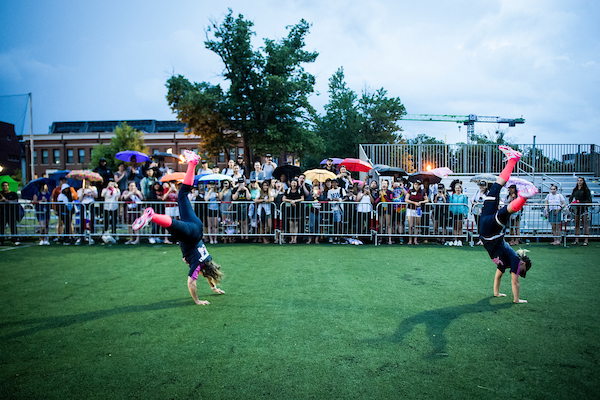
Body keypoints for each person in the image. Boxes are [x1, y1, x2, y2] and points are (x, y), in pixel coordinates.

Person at [132, 151, 224, 305]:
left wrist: (214, 288)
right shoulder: (198, 263)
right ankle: (152, 215)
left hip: (197, 228)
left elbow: (208, 274)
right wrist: (197, 301)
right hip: (191, 235)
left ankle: (192, 163)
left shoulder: (207, 260)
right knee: (173, 226)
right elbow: (191, 283)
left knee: (182, 195)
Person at [479, 146, 536, 304]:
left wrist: (496, 293)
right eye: (523, 270)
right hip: (490, 232)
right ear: (523, 263)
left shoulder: (505, 262)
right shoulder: (516, 262)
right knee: (504, 212)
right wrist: (517, 300)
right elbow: (515, 282)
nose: (520, 272)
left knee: (496, 188)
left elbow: (498, 277)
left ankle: (513, 159)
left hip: (486, 228)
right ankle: (522, 197)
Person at [569, 177, 592, 246]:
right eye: (578, 180)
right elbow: (571, 197)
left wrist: (581, 202)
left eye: (581, 180)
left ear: (583, 181)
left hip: (584, 209)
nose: (579, 182)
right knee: (576, 224)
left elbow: (589, 200)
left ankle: (586, 240)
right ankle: (576, 239)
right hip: (576, 209)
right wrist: (572, 202)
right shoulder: (575, 189)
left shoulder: (586, 190)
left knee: (585, 224)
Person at [405, 180, 428, 245]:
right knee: (410, 225)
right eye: (415, 184)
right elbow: (406, 199)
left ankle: (415, 240)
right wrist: (414, 203)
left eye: (418, 185)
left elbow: (427, 200)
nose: (416, 186)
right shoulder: (410, 191)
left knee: (417, 225)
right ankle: (410, 239)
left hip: (418, 209)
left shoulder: (422, 191)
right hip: (411, 209)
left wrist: (421, 202)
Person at [282, 179, 304, 244]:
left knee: (296, 224)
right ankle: (292, 238)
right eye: (292, 183)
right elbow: (283, 199)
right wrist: (290, 201)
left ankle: (295, 239)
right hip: (289, 209)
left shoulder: (299, 190)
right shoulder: (287, 190)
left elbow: (302, 198)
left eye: (295, 183)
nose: (293, 184)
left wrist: (295, 201)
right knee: (291, 224)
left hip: (297, 208)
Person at [0, 181, 20, 245]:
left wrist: (7, 200)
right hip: (2, 213)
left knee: (13, 226)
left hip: (11, 212)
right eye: (3, 186)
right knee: (1, 227)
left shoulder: (13, 194)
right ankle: (1, 240)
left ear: (8, 186)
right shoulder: (0, 194)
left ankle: (15, 239)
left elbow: (15, 201)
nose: (5, 187)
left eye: (6, 185)